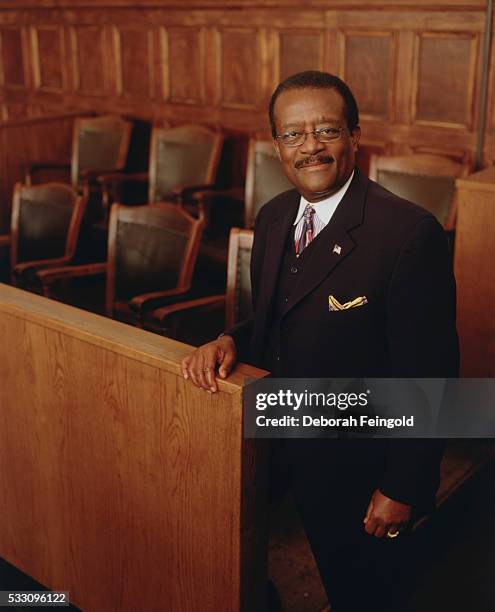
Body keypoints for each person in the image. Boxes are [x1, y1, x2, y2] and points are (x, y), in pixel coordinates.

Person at [182, 71, 459, 611]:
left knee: (363, 593)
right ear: (277, 145)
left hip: (356, 468)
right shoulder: (274, 215)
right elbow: (274, 320)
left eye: (326, 130)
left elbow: (434, 375)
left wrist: (402, 485)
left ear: (355, 136)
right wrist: (229, 340)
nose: (310, 146)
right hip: (278, 440)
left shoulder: (407, 235)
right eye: (293, 134)